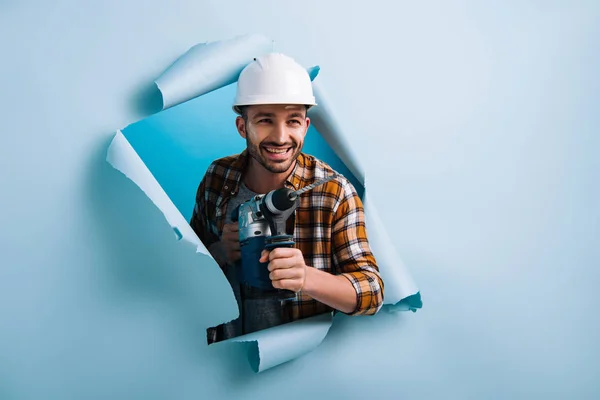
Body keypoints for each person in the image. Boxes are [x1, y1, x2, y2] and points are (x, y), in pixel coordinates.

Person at [190, 53, 384, 344]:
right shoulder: (219, 177)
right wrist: (219, 252)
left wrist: (305, 277)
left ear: (305, 126)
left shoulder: (333, 192)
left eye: (292, 121)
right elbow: (181, 268)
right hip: (223, 355)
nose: (281, 137)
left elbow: (372, 292)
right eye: (265, 120)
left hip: (292, 369)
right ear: (243, 127)